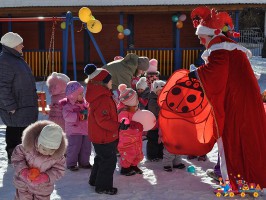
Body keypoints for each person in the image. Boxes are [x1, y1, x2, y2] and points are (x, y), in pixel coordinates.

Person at [189, 6, 266, 189]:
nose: (200, 42)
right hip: (244, 101)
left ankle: (239, 182)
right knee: (245, 140)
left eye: (201, 37)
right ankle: (246, 179)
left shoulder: (220, 49)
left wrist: (196, 75)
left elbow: (216, 72)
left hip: (236, 103)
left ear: (209, 35)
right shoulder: (230, 49)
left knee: (234, 141)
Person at [0, 32, 38, 164]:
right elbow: (2, 87)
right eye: (19, 43)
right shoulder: (5, 61)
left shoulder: (15, 59)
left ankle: (23, 157)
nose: (22, 46)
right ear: (12, 45)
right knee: (15, 133)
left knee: (23, 133)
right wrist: (10, 106)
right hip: (16, 108)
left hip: (23, 105)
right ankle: (14, 157)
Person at [84, 64, 120, 195]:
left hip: (99, 136)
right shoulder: (102, 98)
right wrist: (118, 126)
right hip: (104, 136)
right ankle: (103, 186)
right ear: (102, 83)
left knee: (100, 158)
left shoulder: (101, 95)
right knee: (108, 161)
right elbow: (103, 120)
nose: (112, 82)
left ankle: (94, 180)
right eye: (110, 80)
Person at [11, 121, 66, 200]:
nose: (47, 152)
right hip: (24, 185)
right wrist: (23, 170)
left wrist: (46, 177)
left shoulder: (58, 157)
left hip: (43, 189)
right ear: (38, 142)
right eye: (44, 149)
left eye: (52, 150)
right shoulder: (27, 147)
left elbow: (59, 170)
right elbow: (17, 158)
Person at [60, 81, 92, 171]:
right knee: (74, 147)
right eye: (80, 94)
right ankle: (71, 163)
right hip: (74, 131)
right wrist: (77, 115)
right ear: (72, 95)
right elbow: (66, 116)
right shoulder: (68, 106)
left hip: (85, 130)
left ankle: (84, 162)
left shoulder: (84, 104)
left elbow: (88, 111)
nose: (83, 95)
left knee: (86, 147)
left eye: (82, 93)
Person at [117, 84, 144, 176]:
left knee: (137, 151)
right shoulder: (124, 110)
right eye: (135, 99)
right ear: (130, 101)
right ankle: (125, 168)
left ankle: (134, 165)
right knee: (128, 152)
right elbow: (122, 118)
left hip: (137, 136)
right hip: (127, 137)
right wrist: (125, 121)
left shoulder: (135, 108)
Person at [146, 80, 164, 161]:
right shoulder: (153, 100)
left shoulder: (164, 99)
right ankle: (152, 155)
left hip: (162, 124)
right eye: (159, 91)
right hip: (154, 124)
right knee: (153, 140)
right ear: (155, 91)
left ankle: (160, 154)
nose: (161, 93)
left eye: (162, 91)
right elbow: (154, 111)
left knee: (161, 140)